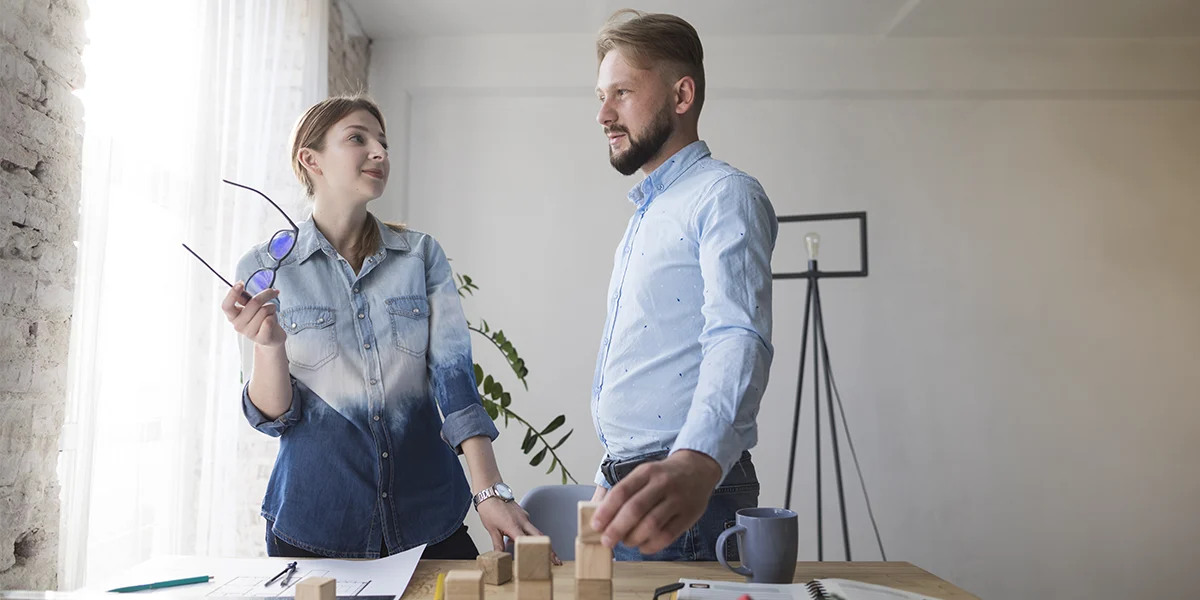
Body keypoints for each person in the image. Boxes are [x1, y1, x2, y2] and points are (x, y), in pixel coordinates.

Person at [222, 95, 546, 559]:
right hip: (315, 526)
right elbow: (274, 419)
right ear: (310, 160)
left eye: (384, 142)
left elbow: (455, 382)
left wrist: (489, 492)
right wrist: (269, 347)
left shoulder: (420, 256)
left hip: (430, 521)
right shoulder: (264, 269)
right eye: (358, 138)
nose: (380, 152)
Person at [586, 10, 779, 561]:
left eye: (621, 92)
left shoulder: (724, 196)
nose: (603, 113)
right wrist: (611, 471)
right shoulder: (647, 215)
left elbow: (739, 335)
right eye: (601, 95)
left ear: (682, 94)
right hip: (634, 489)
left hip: (692, 492)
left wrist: (696, 461)